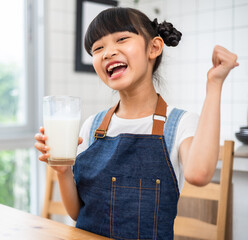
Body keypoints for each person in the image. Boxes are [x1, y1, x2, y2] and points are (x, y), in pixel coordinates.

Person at [34, 7, 238, 240]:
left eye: (121, 39)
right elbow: (77, 213)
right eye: (97, 48)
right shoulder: (92, 126)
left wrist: (214, 84)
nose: (108, 52)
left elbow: (199, 174)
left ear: (154, 48)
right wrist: (62, 171)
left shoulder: (179, 123)